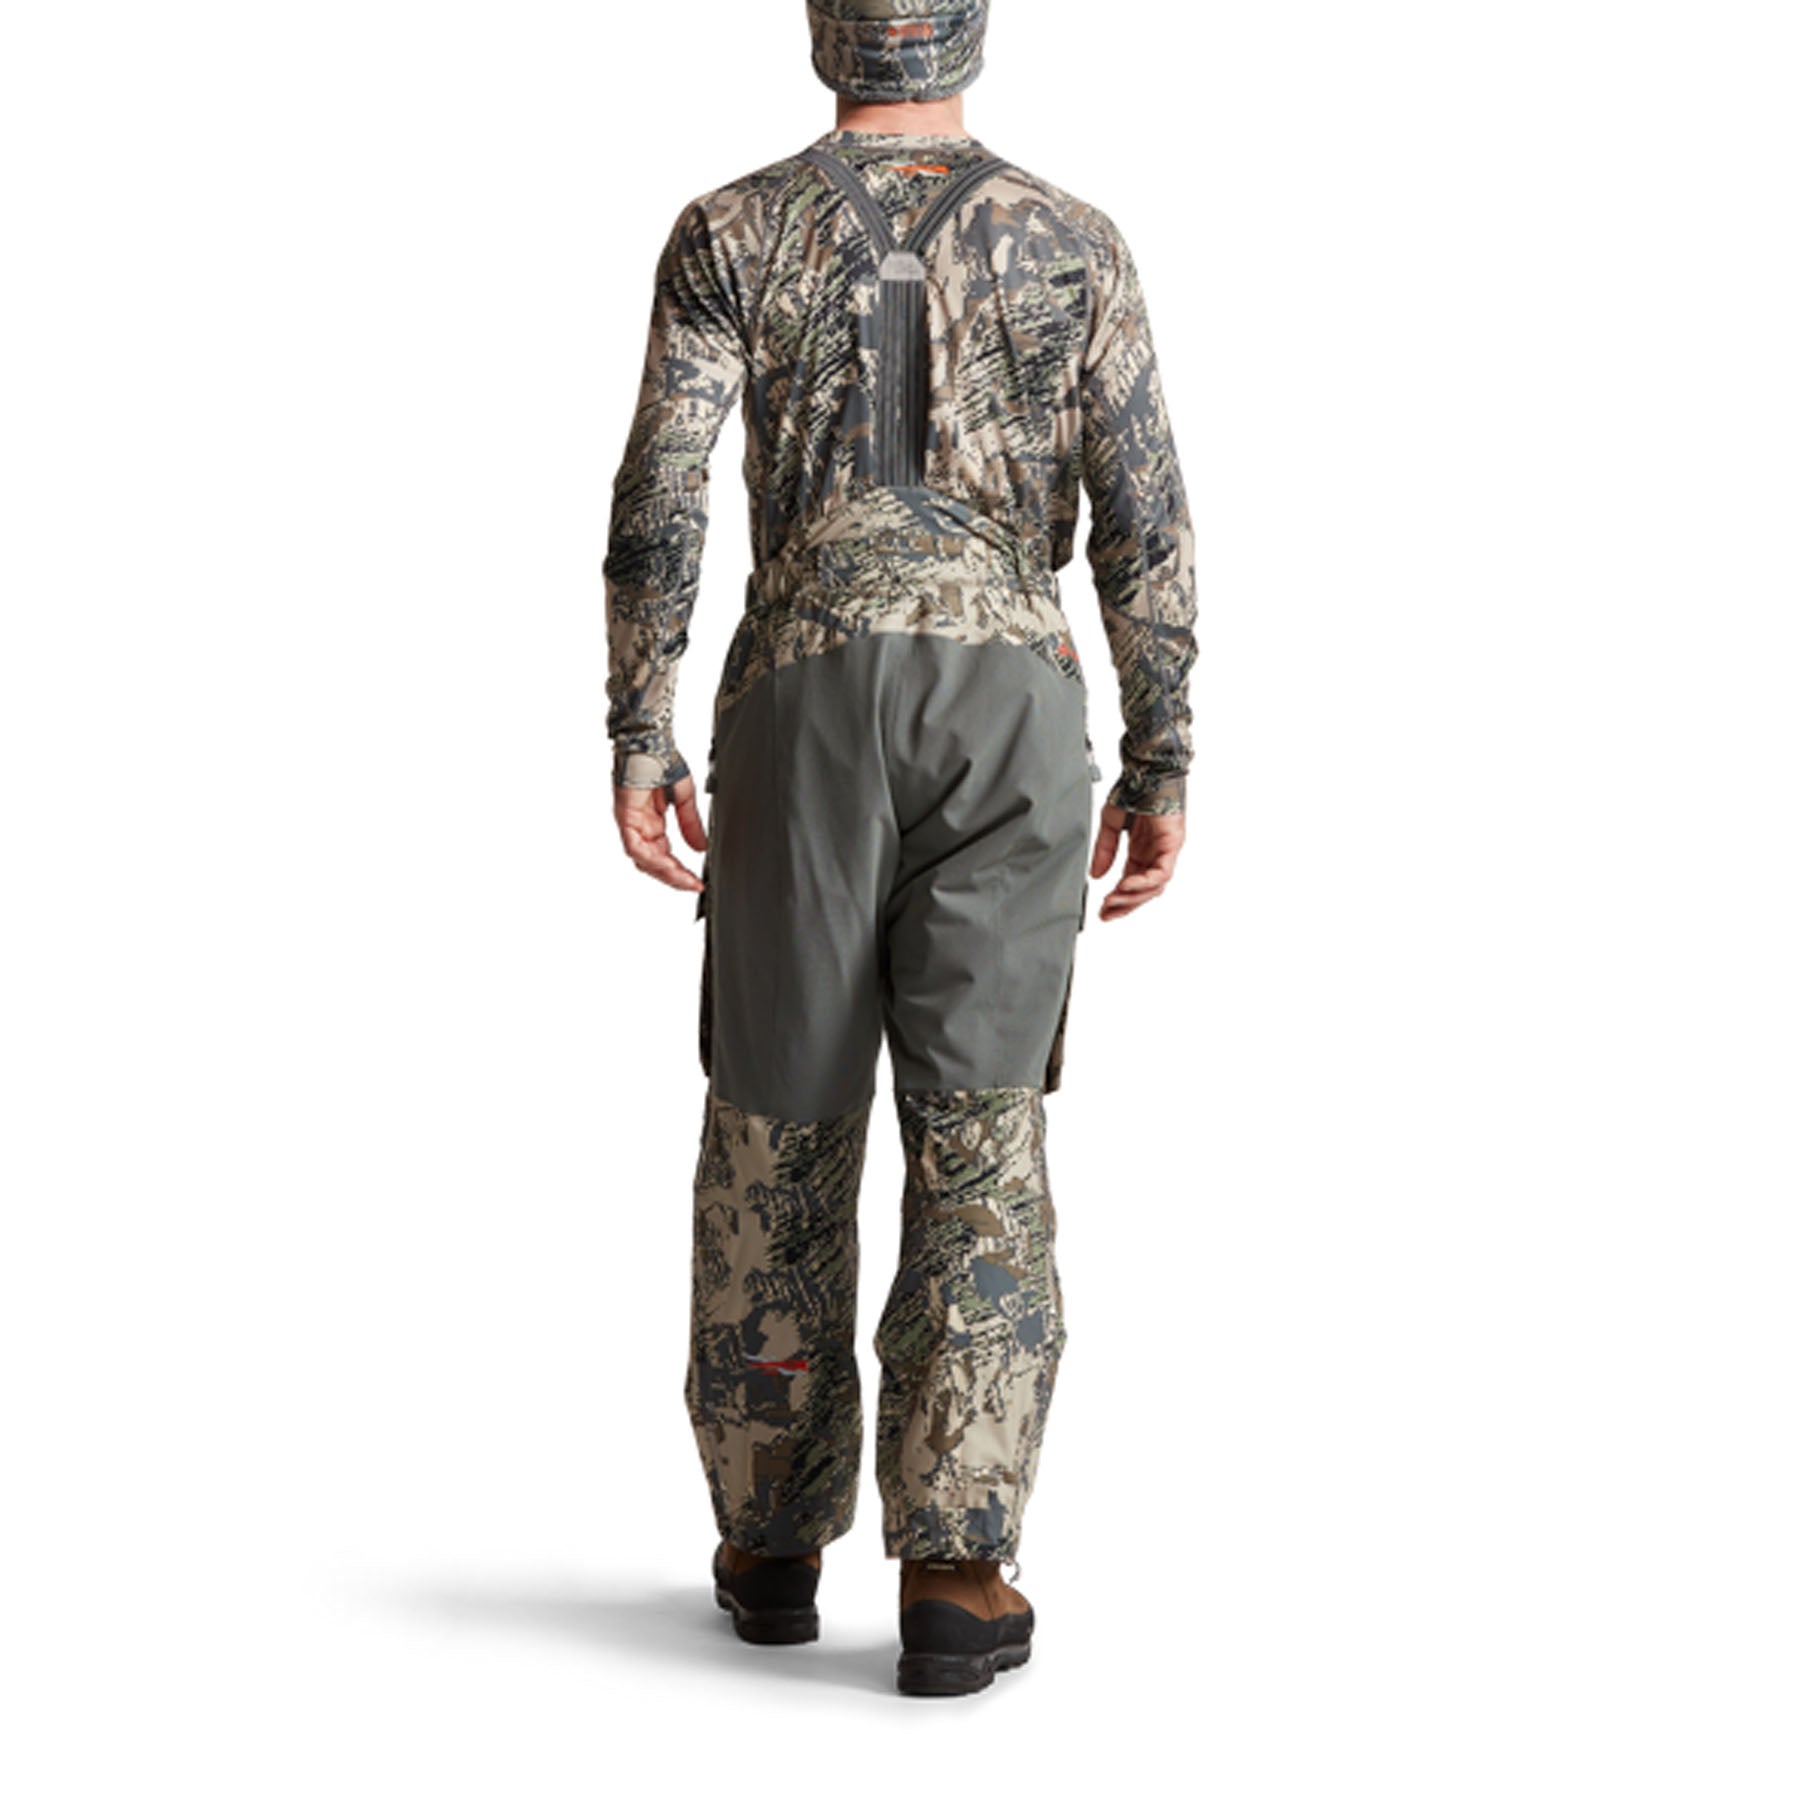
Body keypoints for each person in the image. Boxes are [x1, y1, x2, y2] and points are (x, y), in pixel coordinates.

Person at [603, 0, 1195, 1697]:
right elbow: (1145, 520)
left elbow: (662, 494)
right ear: (971, 31)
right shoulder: (1076, 242)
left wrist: (640, 723)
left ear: (824, 31)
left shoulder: (729, 230)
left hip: (802, 694)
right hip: (1010, 704)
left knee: (777, 1119)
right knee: (980, 1127)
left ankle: (769, 1539)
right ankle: (955, 1566)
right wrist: (1162, 749)